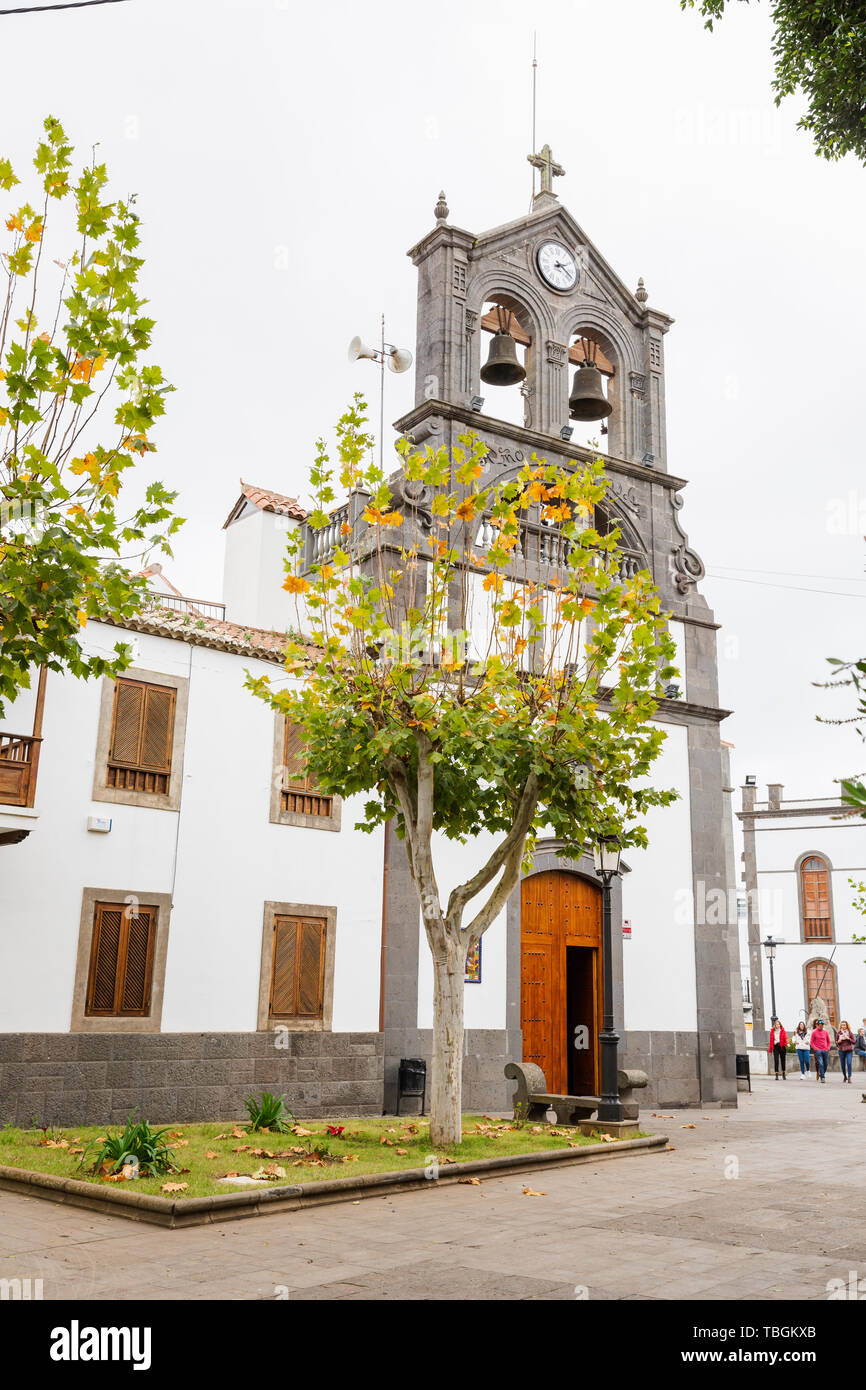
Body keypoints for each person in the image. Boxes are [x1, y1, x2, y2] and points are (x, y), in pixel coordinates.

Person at [810, 1019, 832, 1083]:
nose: (821, 1026)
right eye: (820, 1025)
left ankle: (821, 1073)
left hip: (825, 1050)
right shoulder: (814, 1032)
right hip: (818, 1050)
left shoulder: (825, 1032)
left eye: (822, 1025)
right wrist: (815, 1048)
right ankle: (822, 1077)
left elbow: (828, 1041)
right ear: (817, 1025)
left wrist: (828, 1048)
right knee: (821, 1063)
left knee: (826, 1064)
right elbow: (811, 1042)